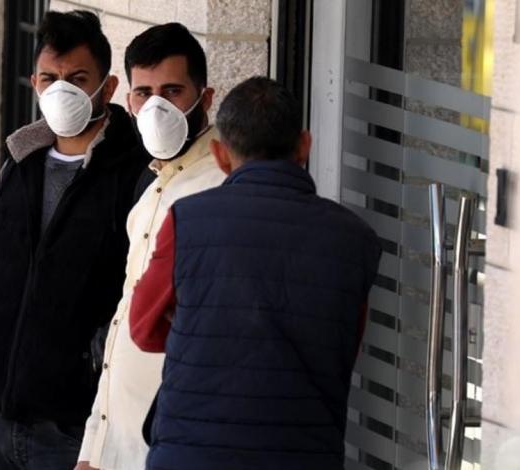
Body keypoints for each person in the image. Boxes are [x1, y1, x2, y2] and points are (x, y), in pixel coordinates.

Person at [129, 76, 383, 469]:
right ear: (304, 146)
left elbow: (143, 329)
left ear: (220, 155)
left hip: (191, 454)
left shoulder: (188, 221)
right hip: (304, 455)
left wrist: (202, 331)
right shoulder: (356, 239)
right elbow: (343, 345)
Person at [0, 10, 149, 470]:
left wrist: (93, 364)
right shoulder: (19, 163)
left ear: (108, 87)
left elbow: (140, 289)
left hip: (70, 430)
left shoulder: (134, 174)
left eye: (78, 79)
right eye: (50, 78)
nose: (62, 90)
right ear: (34, 84)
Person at [76, 23, 226, 470]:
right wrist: (93, 447)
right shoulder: (151, 187)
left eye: (172, 91)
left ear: (206, 98)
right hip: (118, 442)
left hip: (172, 445)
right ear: (129, 102)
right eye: (144, 93)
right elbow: (124, 320)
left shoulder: (222, 188)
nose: (156, 106)